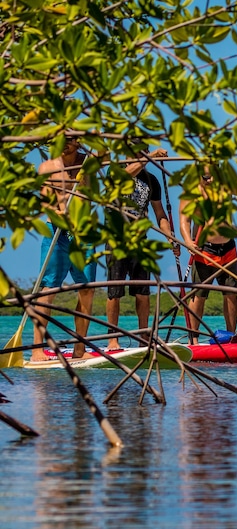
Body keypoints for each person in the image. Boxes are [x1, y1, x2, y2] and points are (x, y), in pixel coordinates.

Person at [105, 145, 181, 350]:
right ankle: (113, 339)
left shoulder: (151, 180)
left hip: (140, 241)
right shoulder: (115, 170)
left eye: (144, 150)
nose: (141, 153)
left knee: (143, 292)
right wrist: (150, 157)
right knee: (115, 291)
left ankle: (144, 337)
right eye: (138, 150)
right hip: (116, 241)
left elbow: (159, 214)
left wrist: (171, 237)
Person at [30, 137, 98, 361]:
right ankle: (37, 350)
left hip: (83, 232)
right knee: (48, 290)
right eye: (62, 140)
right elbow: (44, 203)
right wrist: (59, 215)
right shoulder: (48, 167)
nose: (65, 143)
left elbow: (104, 152)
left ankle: (80, 349)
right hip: (57, 233)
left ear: (79, 141)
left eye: (70, 139)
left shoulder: (88, 163)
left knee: (87, 289)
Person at [179, 167, 237, 345]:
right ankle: (194, 338)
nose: (209, 181)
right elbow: (185, 220)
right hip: (204, 249)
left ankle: (231, 336)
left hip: (228, 249)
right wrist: (187, 241)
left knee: (231, 293)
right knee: (199, 295)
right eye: (206, 178)